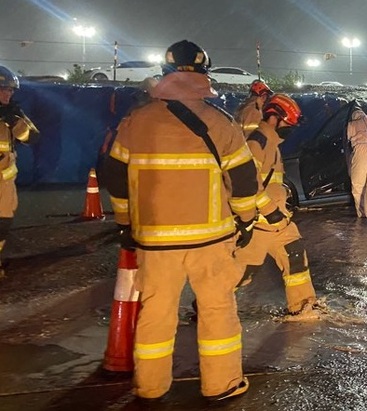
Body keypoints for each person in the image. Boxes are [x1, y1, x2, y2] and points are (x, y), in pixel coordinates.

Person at [104, 40, 261, 402]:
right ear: (205, 76)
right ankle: (222, 384)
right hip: (211, 241)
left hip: (155, 242)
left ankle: (150, 387)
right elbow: (243, 181)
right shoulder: (220, 123)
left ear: (165, 74)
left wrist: (126, 225)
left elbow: (115, 177)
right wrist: (247, 221)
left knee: (155, 314)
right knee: (217, 311)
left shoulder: (136, 122)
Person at [235, 93, 321, 318]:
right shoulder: (258, 141)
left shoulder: (272, 141)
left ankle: (302, 306)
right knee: (242, 272)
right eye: (288, 124)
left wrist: (278, 211)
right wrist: (269, 210)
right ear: (273, 118)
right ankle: (207, 305)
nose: (289, 129)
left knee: (294, 254)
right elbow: (246, 183)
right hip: (260, 222)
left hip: (278, 220)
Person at [0, 66, 39, 279]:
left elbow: (33, 137)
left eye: (11, 90)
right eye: (4, 89)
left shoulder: (13, 113)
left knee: (3, 225)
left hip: (5, 183)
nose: (9, 94)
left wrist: (14, 121)